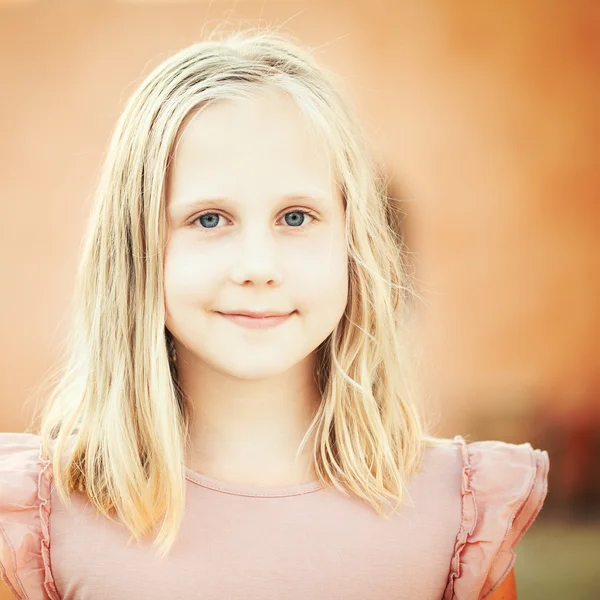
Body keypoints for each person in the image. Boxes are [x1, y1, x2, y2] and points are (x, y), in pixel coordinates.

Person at [0, 31, 549, 600]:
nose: (258, 268)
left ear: (353, 241)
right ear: (135, 250)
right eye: (210, 219)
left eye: (295, 217)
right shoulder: (39, 525)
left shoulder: (457, 518)